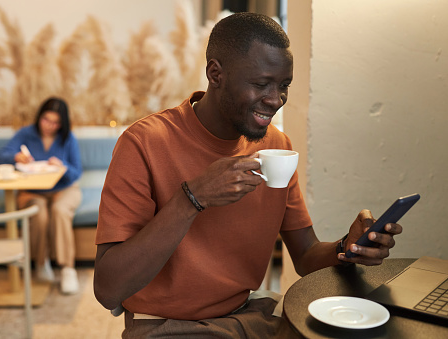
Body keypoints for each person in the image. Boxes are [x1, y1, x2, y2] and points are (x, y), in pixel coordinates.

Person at [94, 13, 402, 337]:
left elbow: (307, 255)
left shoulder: (277, 147)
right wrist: (192, 198)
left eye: (284, 86)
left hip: (248, 317)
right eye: (261, 84)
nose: (275, 100)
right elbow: (109, 289)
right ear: (216, 74)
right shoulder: (144, 143)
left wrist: (347, 248)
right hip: (166, 326)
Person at [0, 97, 83, 295]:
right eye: (46, 120)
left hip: (64, 188)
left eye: (55, 122)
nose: (49, 126)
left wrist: (63, 167)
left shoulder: (68, 138)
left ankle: (67, 268)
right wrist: (15, 156)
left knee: (60, 211)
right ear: (39, 117)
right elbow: (1, 155)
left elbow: (77, 171)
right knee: (39, 213)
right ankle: (41, 263)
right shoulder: (26, 133)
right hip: (32, 191)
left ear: (62, 124)